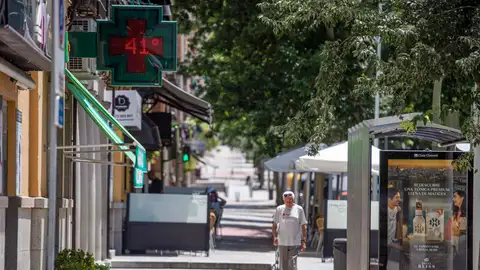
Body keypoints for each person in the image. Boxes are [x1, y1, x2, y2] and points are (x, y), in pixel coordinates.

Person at [272, 190, 307, 270]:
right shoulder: (279, 209)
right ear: (284, 200)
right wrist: (275, 237)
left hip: (294, 242)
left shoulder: (299, 209)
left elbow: (303, 226)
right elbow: (274, 225)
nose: (289, 202)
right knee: (283, 266)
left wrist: (304, 241)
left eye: (290, 200)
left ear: (293, 200)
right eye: (287, 201)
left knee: (292, 266)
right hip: (282, 242)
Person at [386, 187, 403, 269]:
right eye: (397, 197)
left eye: (399, 197)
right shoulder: (383, 211)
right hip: (386, 246)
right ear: (389, 198)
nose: (399, 199)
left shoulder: (397, 208)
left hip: (392, 243)